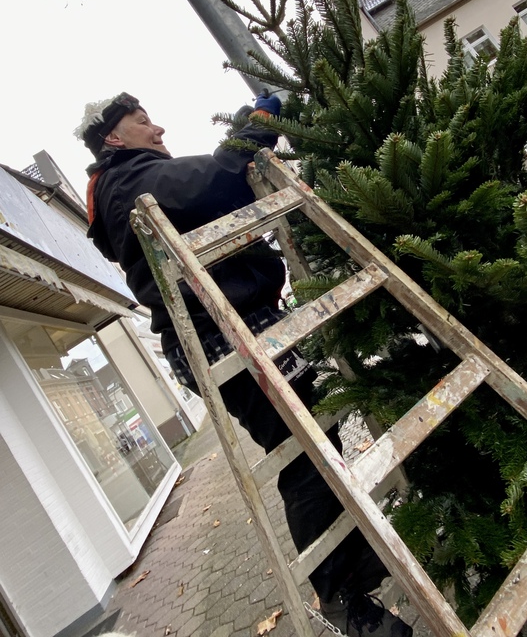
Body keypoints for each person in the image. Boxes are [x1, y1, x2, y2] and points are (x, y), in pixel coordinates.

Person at [75, 91, 412, 637]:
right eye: (143, 122)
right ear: (113, 138)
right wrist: (251, 126)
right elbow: (218, 179)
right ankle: (343, 601)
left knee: (316, 439)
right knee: (306, 452)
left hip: (241, 329)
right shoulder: (129, 182)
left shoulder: (128, 182)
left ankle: (357, 568)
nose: (158, 129)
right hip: (225, 340)